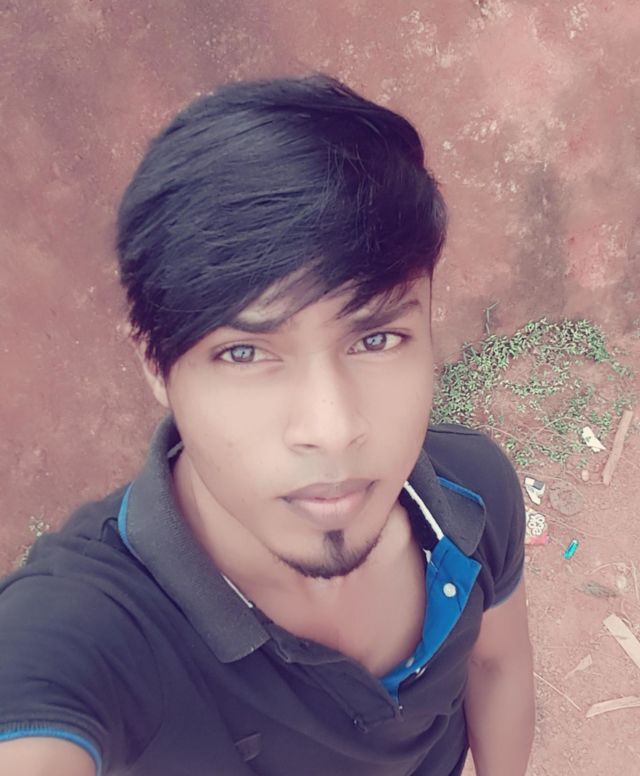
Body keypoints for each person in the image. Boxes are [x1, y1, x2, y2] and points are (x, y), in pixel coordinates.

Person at [0, 73, 534, 776]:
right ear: (155, 363)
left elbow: (495, 665)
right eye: (245, 353)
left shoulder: (474, 491)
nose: (332, 430)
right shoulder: (90, 629)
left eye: (375, 339)